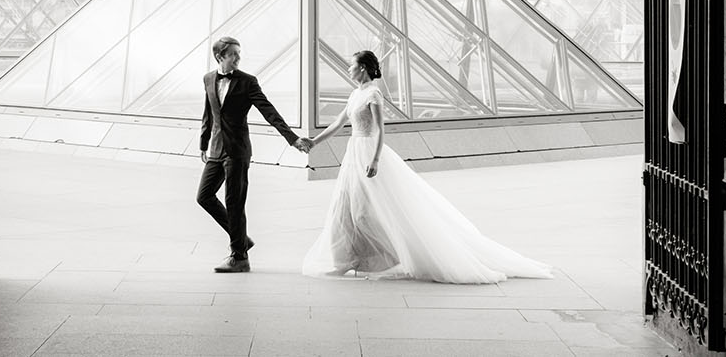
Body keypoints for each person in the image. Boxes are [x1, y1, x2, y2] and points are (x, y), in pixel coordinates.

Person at [302, 50, 554, 283]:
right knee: (346, 207)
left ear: (364, 68)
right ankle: (348, 259)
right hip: (353, 153)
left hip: (367, 151)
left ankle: (388, 255)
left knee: (368, 210)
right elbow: (337, 123)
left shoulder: (372, 94)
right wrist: (314, 142)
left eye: (352, 66)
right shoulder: (355, 94)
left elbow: (380, 130)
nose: (348, 70)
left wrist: (376, 159)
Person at [197, 36, 311, 272]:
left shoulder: (248, 82)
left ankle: (239, 257)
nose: (238, 58)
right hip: (217, 149)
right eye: (233, 54)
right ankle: (241, 239)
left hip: (238, 151)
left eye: (239, 53)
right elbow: (209, 112)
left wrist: (292, 139)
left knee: (235, 202)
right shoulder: (208, 78)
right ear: (220, 57)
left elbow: (269, 111)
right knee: (204, 196)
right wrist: (203, 143)